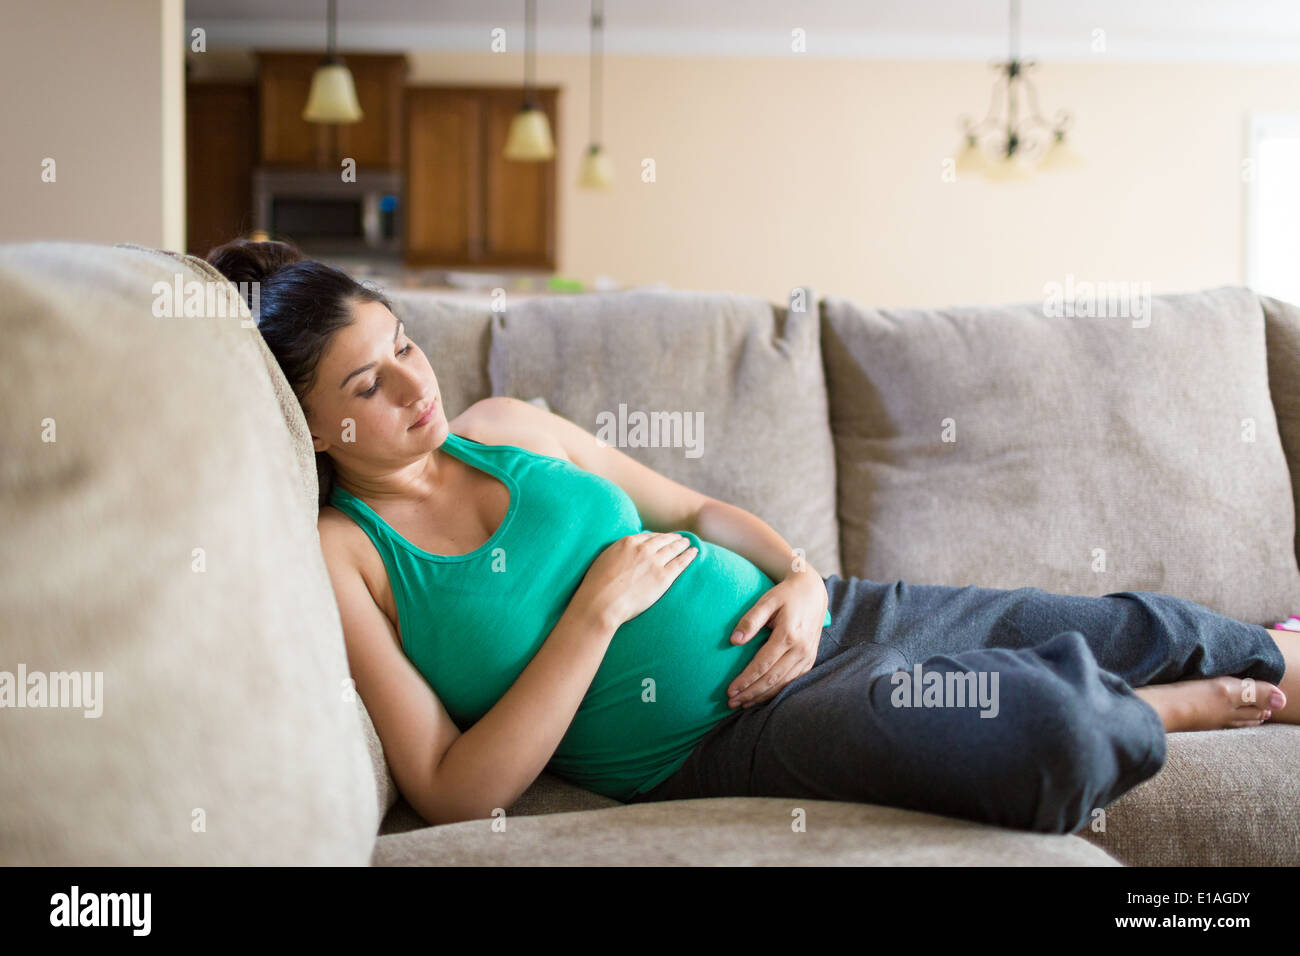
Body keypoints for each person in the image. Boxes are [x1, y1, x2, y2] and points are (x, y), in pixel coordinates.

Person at [208, 237, 1298, 835]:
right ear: (307, 420)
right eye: (368, 379)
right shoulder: (344, 555)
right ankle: (1171, 709)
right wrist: (591, 618)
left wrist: (798, 577)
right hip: (729, 730)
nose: (414, 381)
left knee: (1109, 621)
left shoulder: (501, 426)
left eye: (405, 343)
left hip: (840, 614)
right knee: (1039, 732)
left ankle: (1279, 659)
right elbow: (451, 785)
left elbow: (687, 508)